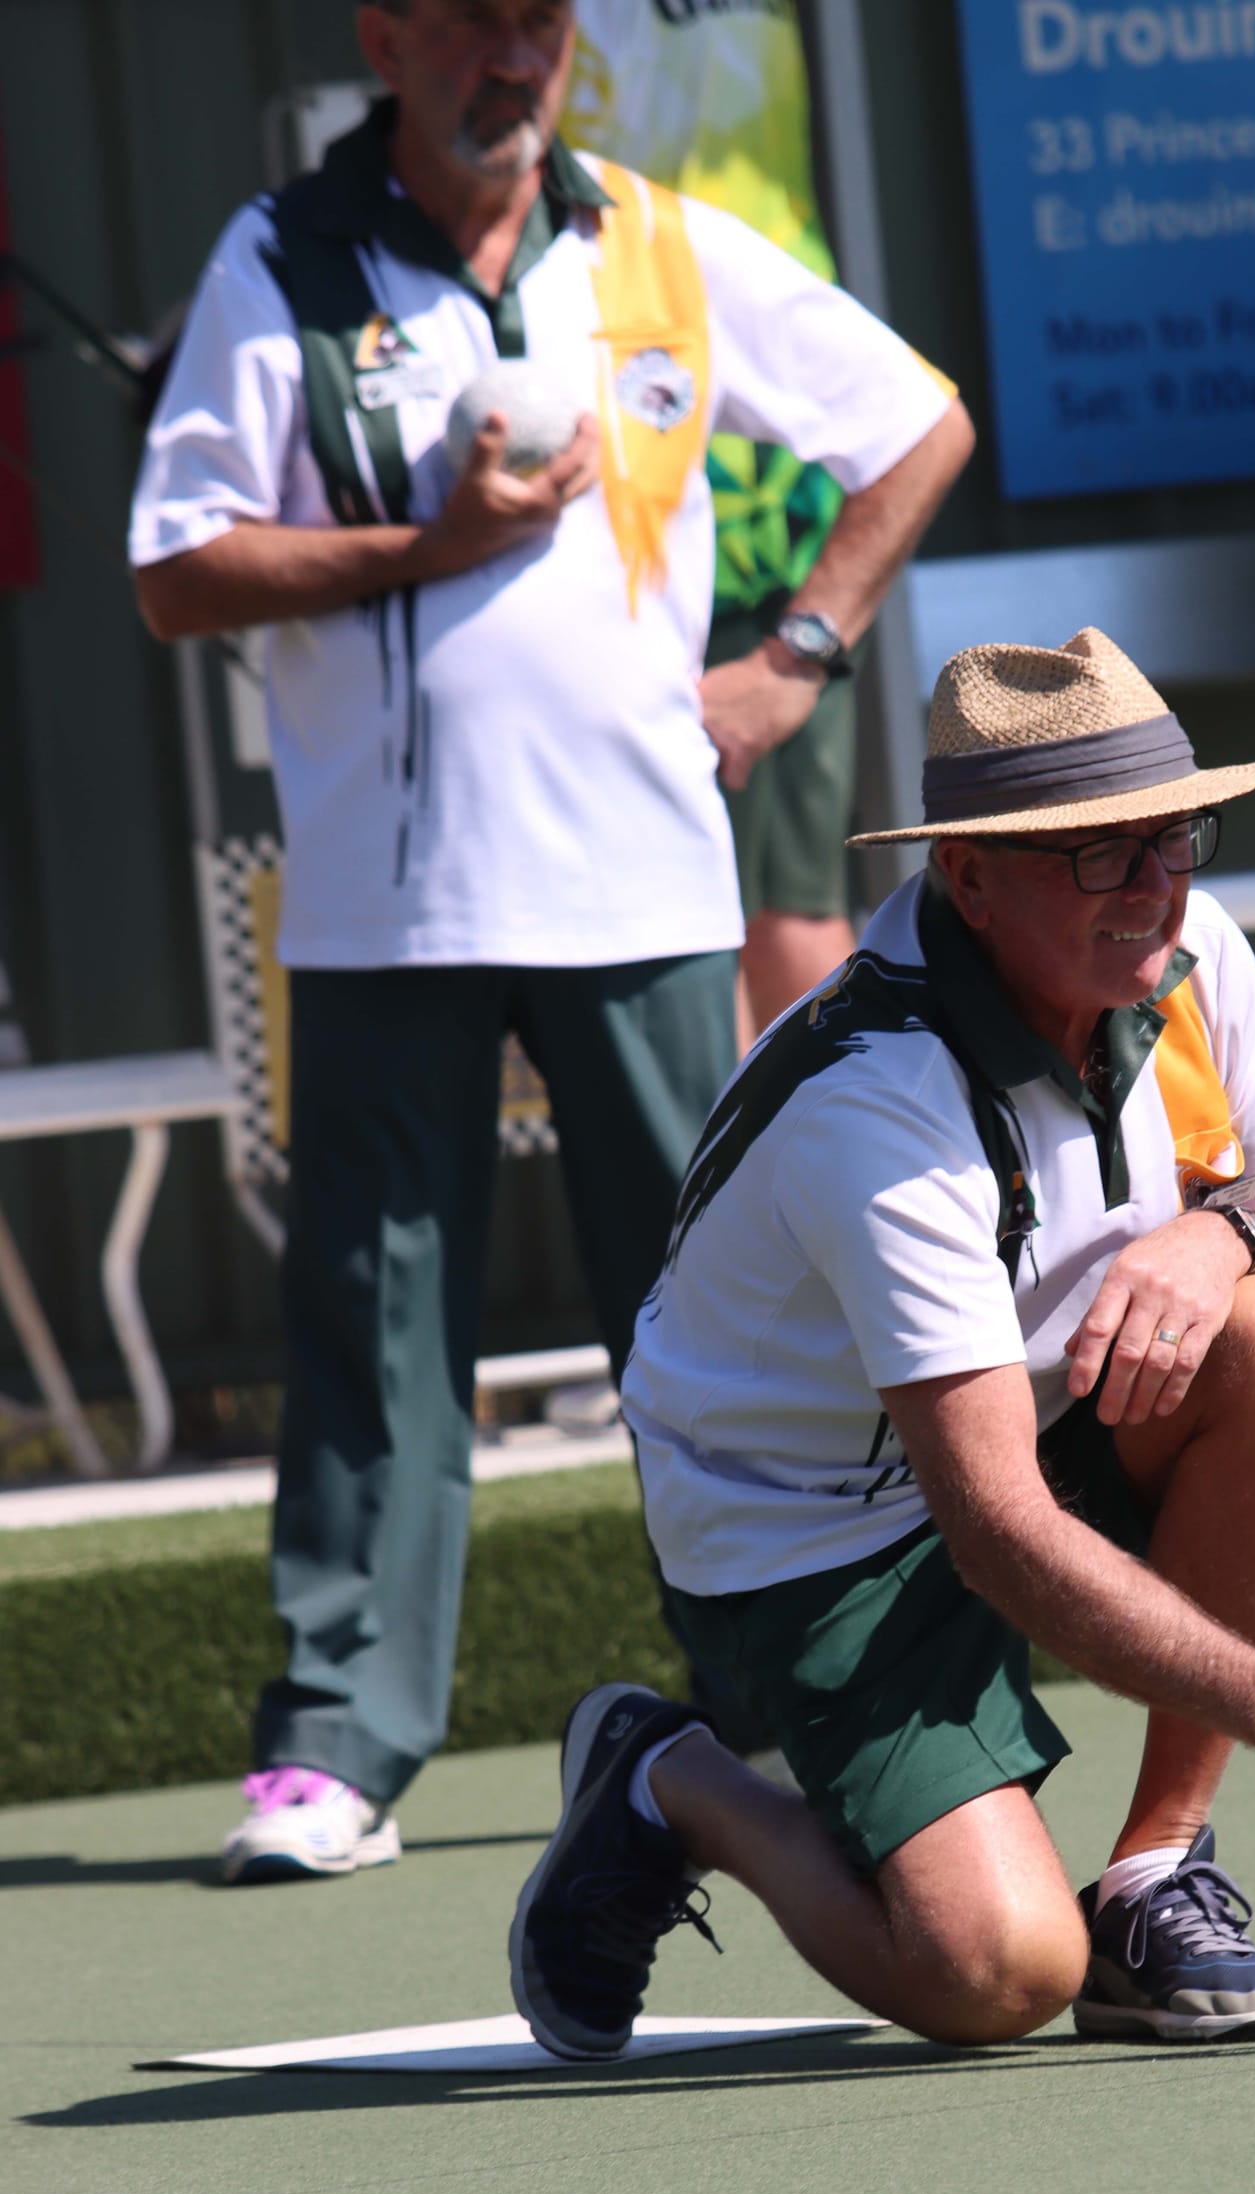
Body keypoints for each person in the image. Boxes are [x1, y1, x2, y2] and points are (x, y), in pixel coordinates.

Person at [128, 0, 971, 1884]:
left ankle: (774, 1712)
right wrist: (424, 549)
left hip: (646, 889)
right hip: (381, 900)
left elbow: (919, 426)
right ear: (387, 32)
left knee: (716, 1331)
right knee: (370, 1323)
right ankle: (338, 1743)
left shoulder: (661, 243)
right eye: (472, 22)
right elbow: (179, 567)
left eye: (542, 23)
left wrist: (794, 659)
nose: (512, 59)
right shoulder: (282, 257)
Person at [507, 632, 1255, 2059]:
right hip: (816, 1528)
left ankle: (1154, 1876)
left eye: (1172, 836)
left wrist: (1221, 1239)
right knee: (994, 1976)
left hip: (1034, 1410)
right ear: (969, 877)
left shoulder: (1190, 950)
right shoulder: (875, 1103)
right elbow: (990, 1527)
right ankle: (669, 1777)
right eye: (1098, 854)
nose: (1156, 885)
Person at [562, 0, 865, 1049]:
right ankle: (777, 1199)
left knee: (774, 909)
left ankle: (811, 1197)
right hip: (649, 468)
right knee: (728, 915)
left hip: (747, 481)